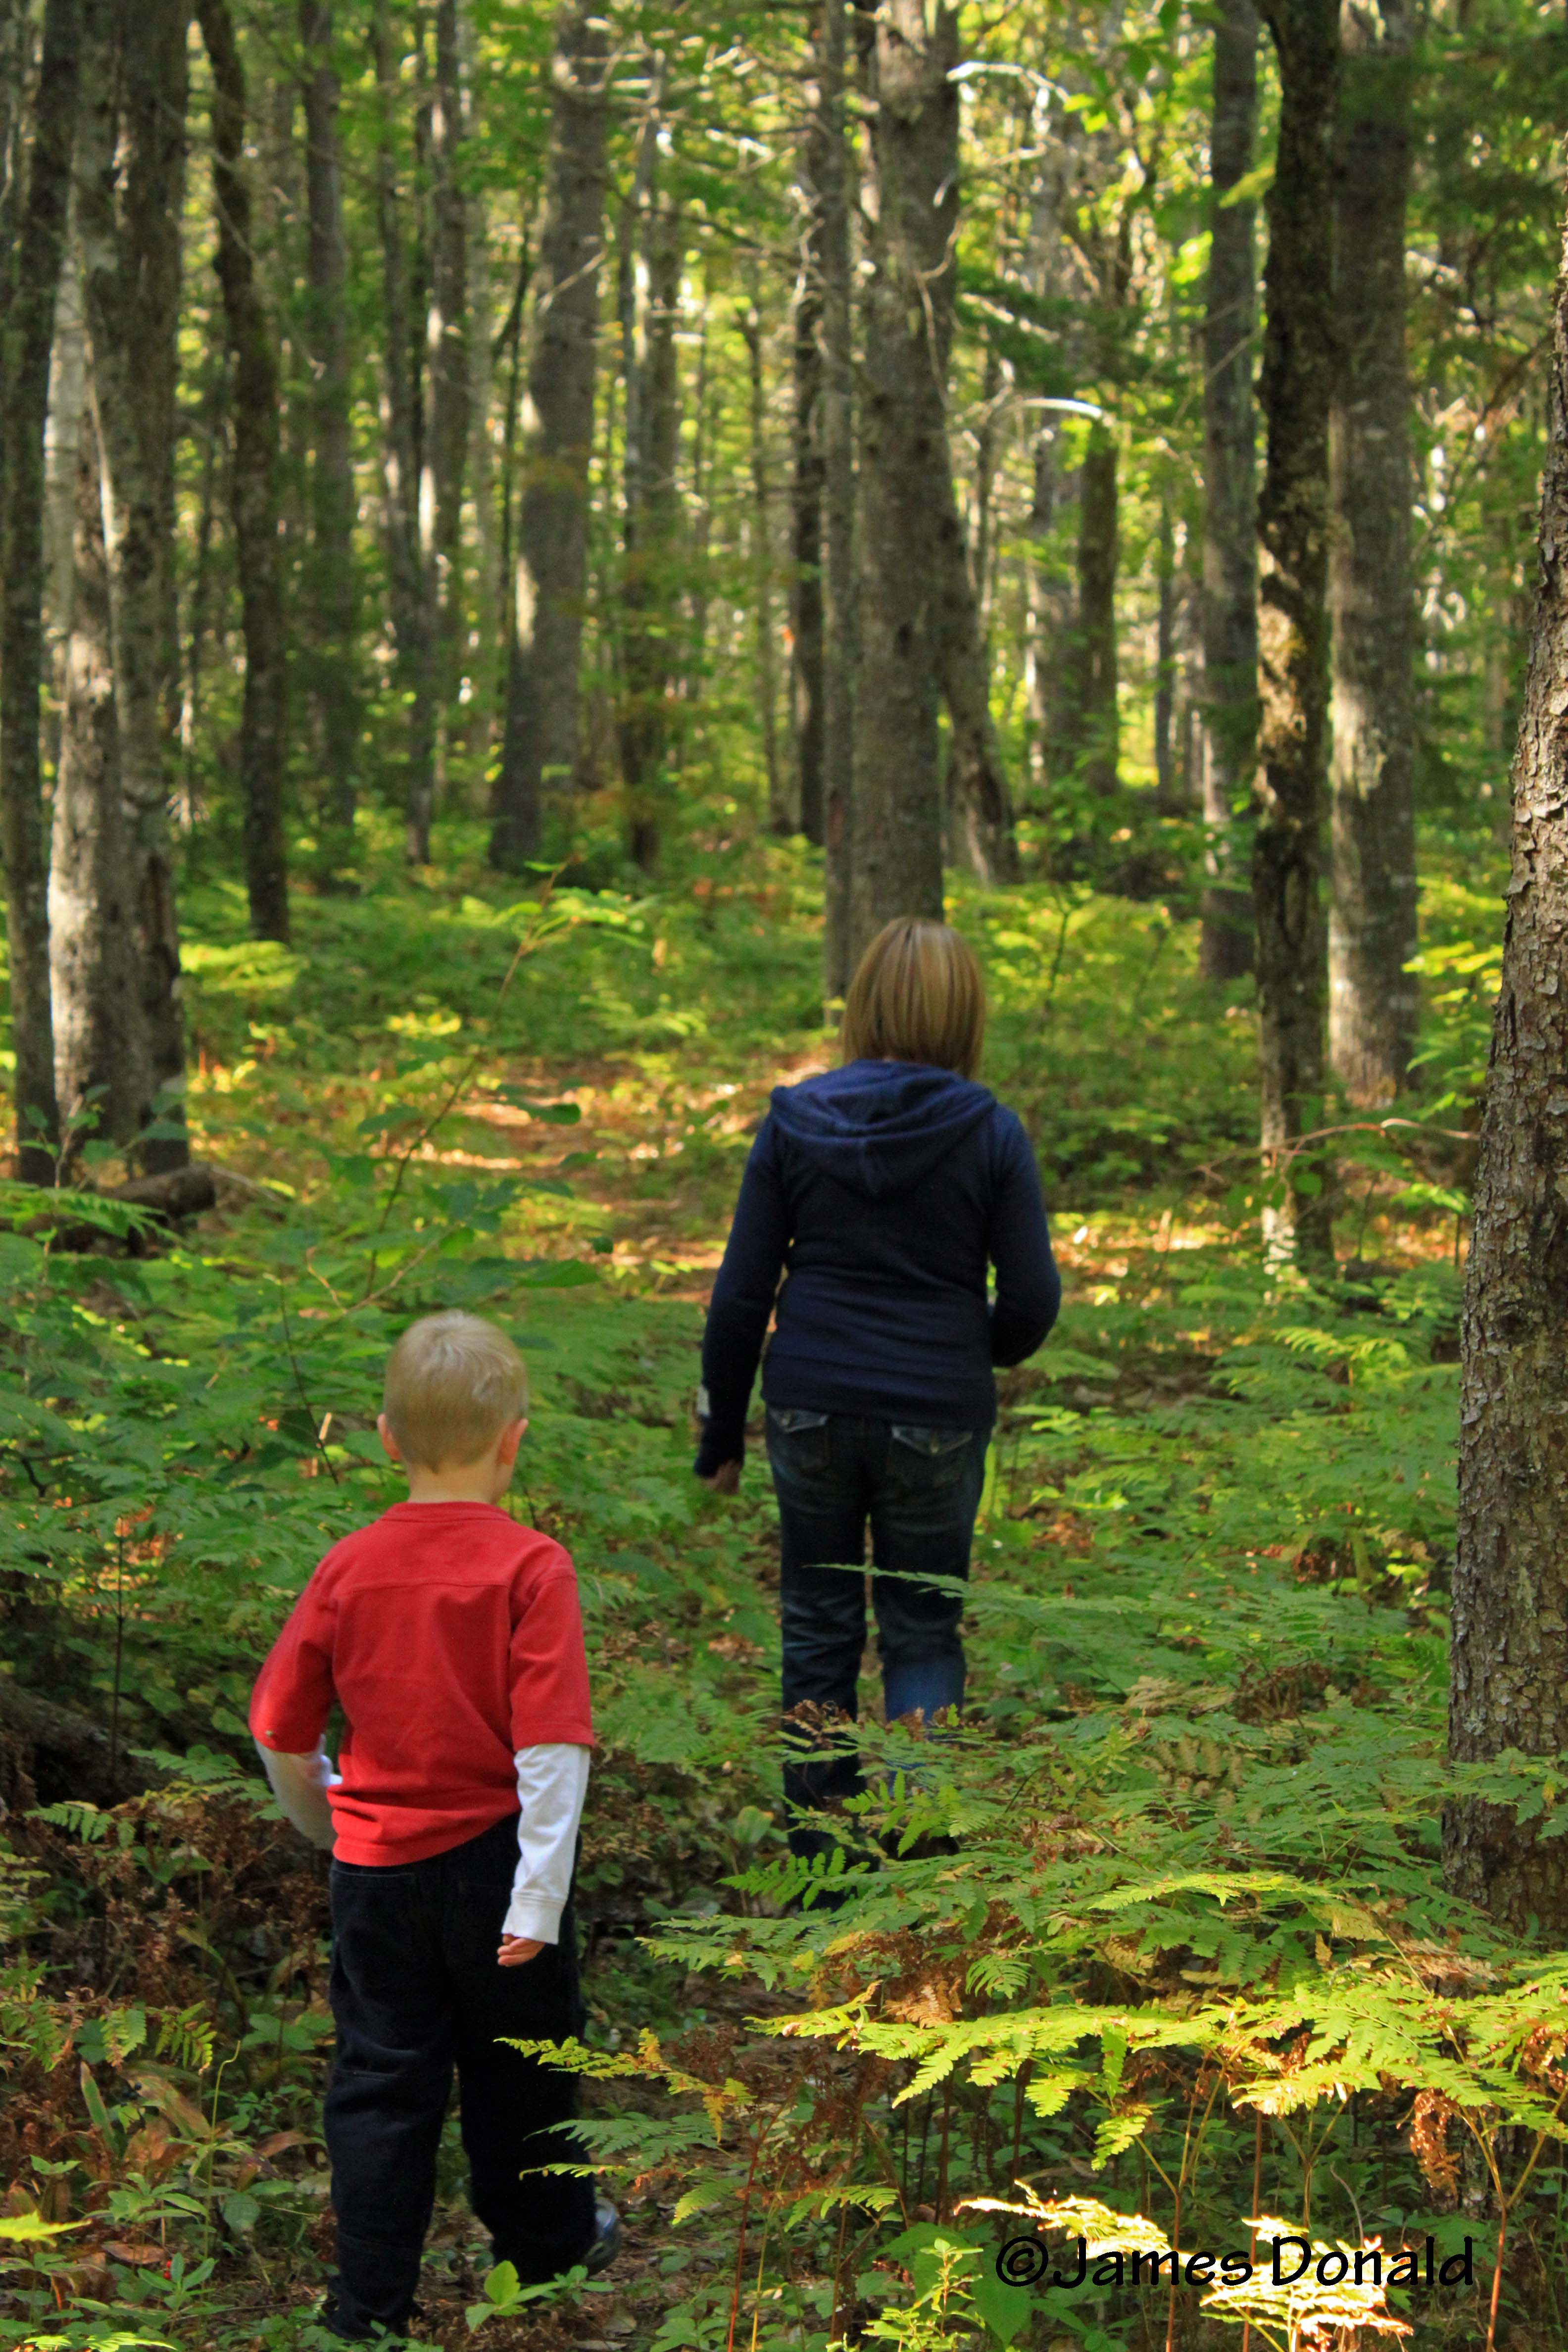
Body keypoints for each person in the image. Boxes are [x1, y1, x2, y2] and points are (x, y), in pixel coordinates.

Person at [249, 1311, 618, 2339]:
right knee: (527, 2067)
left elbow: (280, 1725)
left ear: (385, 1437)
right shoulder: (531, 1566)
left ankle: (367, 2304)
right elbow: (551, 1748)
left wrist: (331, 1827)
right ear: (515, 1440)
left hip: (376, 1874)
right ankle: (546, 2261)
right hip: (499, 1864)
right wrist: (540, 1899)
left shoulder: (349, 1564)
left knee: (380, 2082)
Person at [693, 918, 1060, 1863]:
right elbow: (1030, 1301)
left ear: (864, 1007)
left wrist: (722, 1433)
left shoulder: (795, 1121)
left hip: (810, 1405)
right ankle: (917, 1873)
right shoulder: (990, 1133)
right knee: (923, 1630)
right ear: (965, 1015)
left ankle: (822, 1864)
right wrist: (966, 1347)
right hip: (937, 1412)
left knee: (817, 1625)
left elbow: (740, 1295)